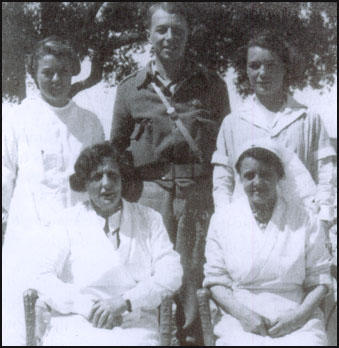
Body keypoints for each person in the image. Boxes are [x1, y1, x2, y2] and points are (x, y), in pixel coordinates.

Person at [111, 2, 230, 344]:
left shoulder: (213, 86)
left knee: (194, 275)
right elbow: (117, 151)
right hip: (149, 196)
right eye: (161, 29)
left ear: (188, 35)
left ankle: (192, 339)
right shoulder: (130, 89)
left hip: (196, 194)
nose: (169, 37)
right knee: (150, 273)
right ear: (148, 34)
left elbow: (225, 148)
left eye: (177, 30)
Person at [2, 36, 105, 346]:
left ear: (73, 72)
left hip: (77, 239)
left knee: (72, 324)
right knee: (21, 324)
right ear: (35, 74)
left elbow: (100, 181)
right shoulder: (16, 118)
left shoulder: (90, 123)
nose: (56, 79)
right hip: (28, 237)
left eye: (63, 71)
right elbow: (4, 176)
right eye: (48, 72)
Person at [32, 142, 182, 346]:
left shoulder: (149, 219)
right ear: (84, 183)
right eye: (96, 177)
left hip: (134, 324)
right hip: (78, 322)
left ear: (122, 179)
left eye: (113, 175)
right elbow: (42, 276)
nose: (106, 184)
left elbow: (171, 273)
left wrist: (126, 301)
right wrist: (86, 307)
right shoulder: (66, 222)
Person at [204, 140, 332, 346]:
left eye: (266, 174)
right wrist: (245, 316)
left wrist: (298, 317)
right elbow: (216, 280)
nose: (257, 182)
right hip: (241, 317)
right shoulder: (223, 220)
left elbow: (320, 280)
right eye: (249, 175)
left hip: (296, 314)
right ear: (240, 178)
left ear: (279, 176)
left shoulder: (305, 219)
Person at [212, 30, 336, 226]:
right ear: (246, 70)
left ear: (284, 68)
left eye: (271, 65)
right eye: (255, 66)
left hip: (298, 225)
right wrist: (223, 219)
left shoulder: (307, 119)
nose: (262, 73)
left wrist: (324, 216)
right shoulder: (233, 122)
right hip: (246, 227)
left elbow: (325, 173)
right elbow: (223, 180)